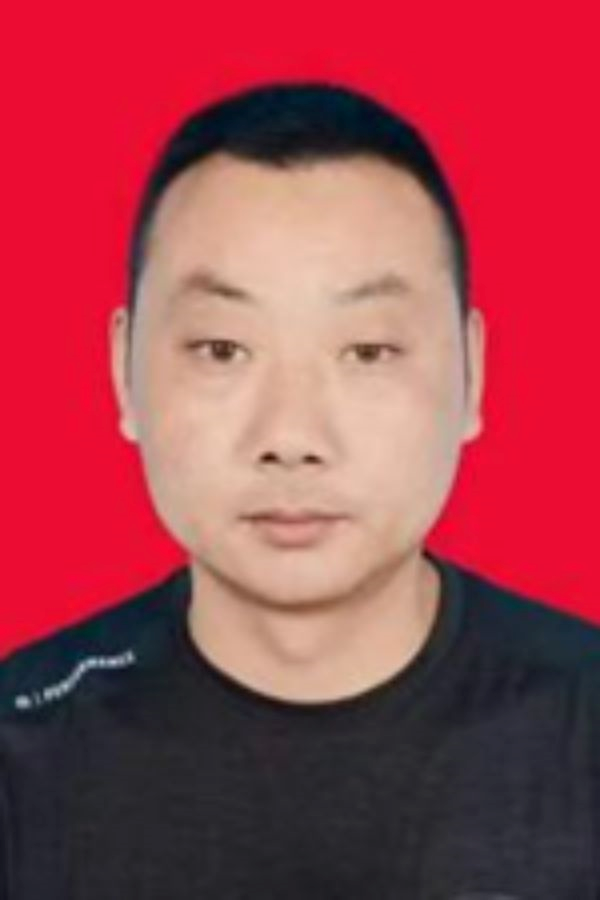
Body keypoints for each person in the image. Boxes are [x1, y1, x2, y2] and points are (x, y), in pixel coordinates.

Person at [1, 81, 599, 899]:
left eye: (367, 352)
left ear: (473, 373)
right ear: (122, 372)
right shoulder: (21, 756)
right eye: (221, 349)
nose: (290, 436)